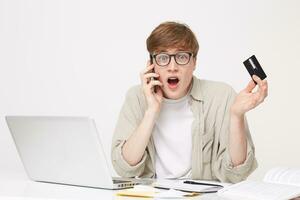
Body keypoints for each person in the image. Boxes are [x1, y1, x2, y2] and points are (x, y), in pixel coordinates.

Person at [111, 21, 268, 183]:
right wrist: (151, 111)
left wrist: (236, 116)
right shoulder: (136, 97)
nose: (172, 67)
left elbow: (237, 173)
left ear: (194, 62)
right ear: (152, 64)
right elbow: (124, 168)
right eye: (163, 57)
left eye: (181, 57)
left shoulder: (222, 95)